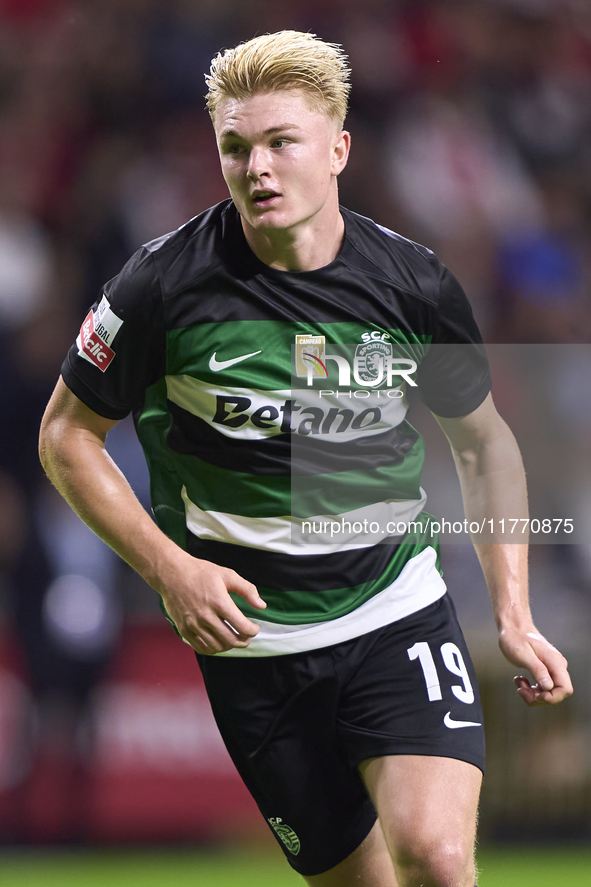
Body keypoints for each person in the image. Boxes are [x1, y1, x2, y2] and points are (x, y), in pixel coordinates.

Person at [39, 30, 572, 887]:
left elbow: (485, 442)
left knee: (436, 858)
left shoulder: (413, 284)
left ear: (337, 149)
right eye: (235, 147)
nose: (257, 168)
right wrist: (172, 570)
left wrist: (511, 611)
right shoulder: (158, 286)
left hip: (392, 608)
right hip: (255, 648)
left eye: (281, 142)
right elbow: (65, 436)